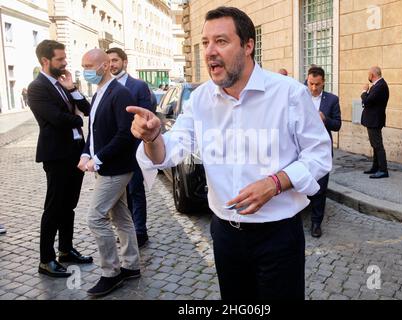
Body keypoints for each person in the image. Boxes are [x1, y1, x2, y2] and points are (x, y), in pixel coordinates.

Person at [128, 6, 331, 300]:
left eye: (221, 41)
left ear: (248, 46)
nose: (210, 51)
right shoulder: (199, 100)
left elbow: (320, 155)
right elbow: (167, 153)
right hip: (225, 235)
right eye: (205, 43)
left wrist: (275, 184)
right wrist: (152, 137)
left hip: (278, 236)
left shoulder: (289, 94)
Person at [28, 40, 92, 278]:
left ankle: (65, 250)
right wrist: (75, 118)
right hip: (56, 155)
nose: (65, 63)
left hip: (75, 153)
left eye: (65, 58)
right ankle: (46, 260)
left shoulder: (63, 84)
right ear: (46, 61)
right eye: (60, 59)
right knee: (54, 208)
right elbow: (56, 119)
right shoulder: (37, 88)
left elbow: (87, 109)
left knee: (69, 206)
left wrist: (73, 89)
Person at [79, 49, 140, 297]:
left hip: (116, 168)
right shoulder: (98, 94)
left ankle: (111, 273)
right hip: (104, 166)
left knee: (95, 218)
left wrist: (99, 158)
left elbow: (125, 134)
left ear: (105, 66)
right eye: (83, 65)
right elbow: (94, 130)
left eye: (89, 65)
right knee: (121, 216)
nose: (85, 70)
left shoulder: (120, 93)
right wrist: (86, 153)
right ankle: (131, 265)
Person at [107, 47, 157, 248]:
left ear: (125, 62)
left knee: (136, 191)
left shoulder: (139, 86)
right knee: (120, 195)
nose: (112, 64)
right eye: (109, 61)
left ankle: (140, 231)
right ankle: (126, 232)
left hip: (135, 149)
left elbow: (147, 116)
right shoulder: (106, 87)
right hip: (115, 152)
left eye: (115, 60)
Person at [306, 66, 341, 238]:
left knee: (320, 188)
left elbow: (337, 125)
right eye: (311, 84)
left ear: (323, 82)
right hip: (302, 149)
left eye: (317, 84)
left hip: (321, 151)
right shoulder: (300, 96)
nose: (313, 88)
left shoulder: (332, 100)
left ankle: (316, 223)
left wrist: (325, 119)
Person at [361, 66, 390, 179]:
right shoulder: (378, 85)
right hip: (373, 120)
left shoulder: (380, 86)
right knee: (375, 145)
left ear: (372, 75)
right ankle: (375, 167)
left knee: (378, 145)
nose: (368, 76)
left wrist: (364, 91)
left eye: (369, 74)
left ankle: (383, 170)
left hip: (375, 120)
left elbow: (367, 101)